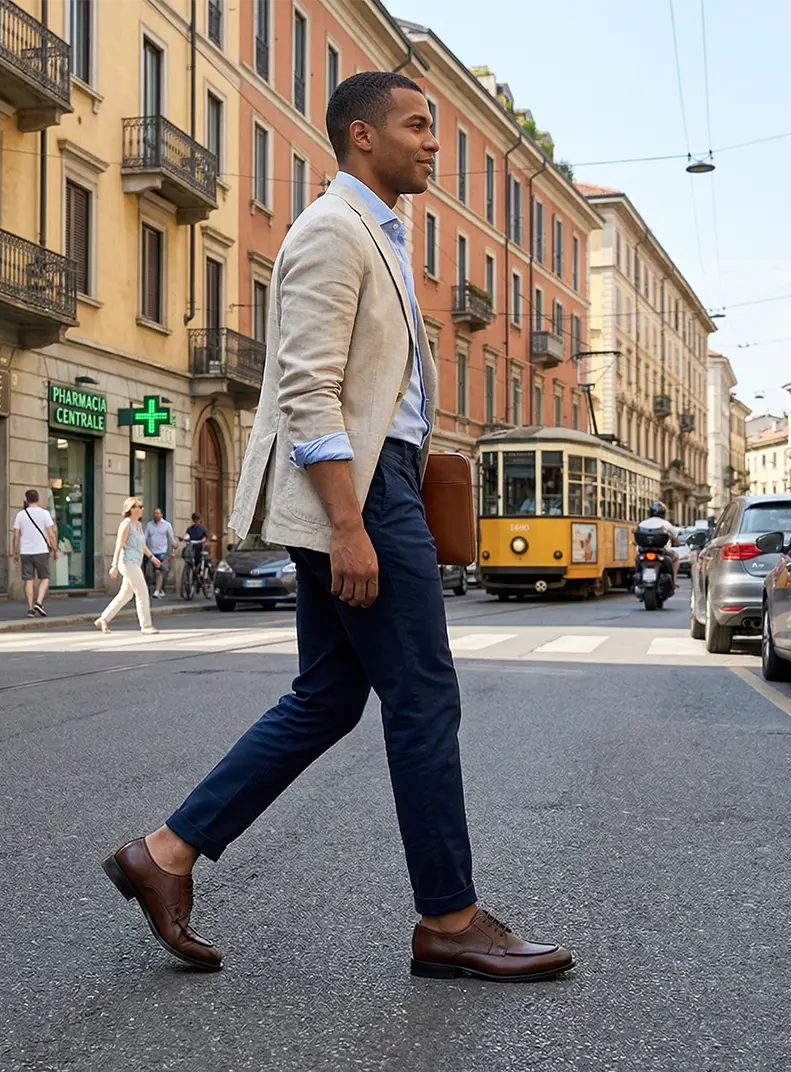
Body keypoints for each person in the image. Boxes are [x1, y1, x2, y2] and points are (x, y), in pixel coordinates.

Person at [102, 71, 574, 983]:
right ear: (362, 136)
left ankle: (163, 855)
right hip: (360, 490)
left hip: (378, 483)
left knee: (327, 697)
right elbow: (307, 386)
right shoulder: (332, 230)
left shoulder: (380, 234)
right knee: (424, 698)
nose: (433, 143)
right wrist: (350, 522)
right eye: (417, 126)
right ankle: (449, 918)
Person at [95, 497, 159, 635]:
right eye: (140, 506)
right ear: (131, 509)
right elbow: (119, 544)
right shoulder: (126, 524)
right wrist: (114, 566)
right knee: (142, 591)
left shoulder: (138, 525)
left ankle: (104, 619)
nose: (143, 509)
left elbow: (142, 545)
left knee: (125, 595)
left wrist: (152, 557)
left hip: (136, 562)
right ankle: (146, 625)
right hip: (127, 562)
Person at [12, 489, 57, 618]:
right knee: (45, 578)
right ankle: (39, 601)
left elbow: (16, 535)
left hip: (25, 552)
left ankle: (30, 608)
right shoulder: (44, 514)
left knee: (28, 579)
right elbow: (51, 534)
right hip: (41, 551)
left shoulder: (20, 515)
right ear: (38, 499)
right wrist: (55, 550)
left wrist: (15, 552)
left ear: (26, 500)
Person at [637, 500, 681, 579]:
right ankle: (674, 579)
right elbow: (675, 538)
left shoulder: (642, 523)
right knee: (676, 557)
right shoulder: (666, 524)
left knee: (637, 560)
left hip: (643, 551)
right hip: (663, 552)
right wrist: (678, 544)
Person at [143, 507, 175, 600]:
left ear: (161, 515)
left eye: (157, 513)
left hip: (162, 552)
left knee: (158, 571)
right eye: (154, 513)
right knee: (151, 573)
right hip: (152, 552)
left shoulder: (167, 525)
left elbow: (171, 538)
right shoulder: (149, 525)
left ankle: (157, 591)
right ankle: (161, 589)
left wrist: (174, 546)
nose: (155, 515)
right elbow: (145, 538)